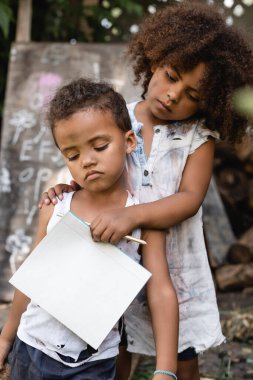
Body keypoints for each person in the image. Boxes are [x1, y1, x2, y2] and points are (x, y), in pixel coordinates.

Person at [38, 2, 253, 379]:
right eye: (171, 76)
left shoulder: (197, 138)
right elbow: (93, 170)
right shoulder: (115, 117)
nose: (173, 95)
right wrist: (67, 188)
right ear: (154, 59)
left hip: (176, 263)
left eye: (193, 95)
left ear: (212, 102)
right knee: (116, 344)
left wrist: (131, 215)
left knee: (183, 354)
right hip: (118, 257)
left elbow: (189, 199)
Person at [0, 79, 179, 380]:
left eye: (99, 146)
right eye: (72, 155)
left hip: (93, 363)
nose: (87, 161)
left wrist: (166, 370)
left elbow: (160, 290)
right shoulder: (56, 206)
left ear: (129, 142)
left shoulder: (142, 216)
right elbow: (31, 277)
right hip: (29, 348)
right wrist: (6, 337)